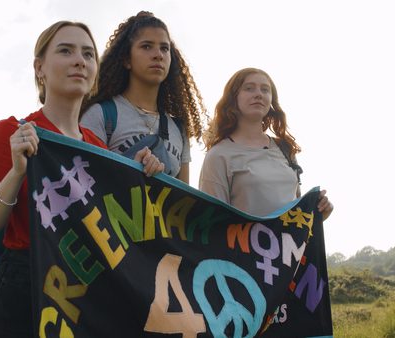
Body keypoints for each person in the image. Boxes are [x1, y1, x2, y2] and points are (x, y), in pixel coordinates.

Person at [0, 21, 163, 337]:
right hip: (24, 290)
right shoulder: (10, 132)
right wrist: (17, 171)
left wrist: (139, 176)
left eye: (88, 54)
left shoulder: (99, 149)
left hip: (82, 293)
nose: (79, 61)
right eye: (66, 51)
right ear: (39, 68)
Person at [80, 11, 206, 183]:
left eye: (164, 48)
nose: (158, 55)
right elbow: (83, 187)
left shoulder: (179, 129)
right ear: (126, 59)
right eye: (146, 46)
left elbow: (183, 203)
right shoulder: (102, 114)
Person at [199, 67, 333, 219]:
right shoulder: (218, 155)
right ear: (233, 98)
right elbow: (211, 223)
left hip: (287, 243)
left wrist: (320, 212)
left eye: (265, 90)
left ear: (271, 100)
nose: (258, 94)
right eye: (249, 88)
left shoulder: (285, 149)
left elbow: (295, 216)